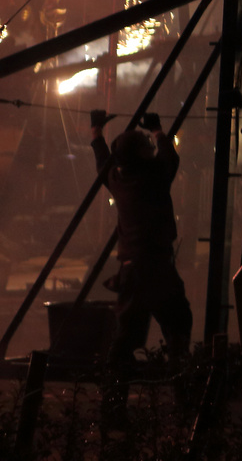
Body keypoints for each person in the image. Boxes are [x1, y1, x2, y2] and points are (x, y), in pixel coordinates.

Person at [89, 108, 192, 365]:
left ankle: (114, 396)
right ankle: (183, 390)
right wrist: (156, 129)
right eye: (147, 145)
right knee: (178, 326)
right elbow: (170, 157)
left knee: (125, 338)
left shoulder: (118, 180)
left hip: (132, 271)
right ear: (142, 154)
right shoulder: (155, 178)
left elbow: (102, 161)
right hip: (158, 268)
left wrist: (96, 130)